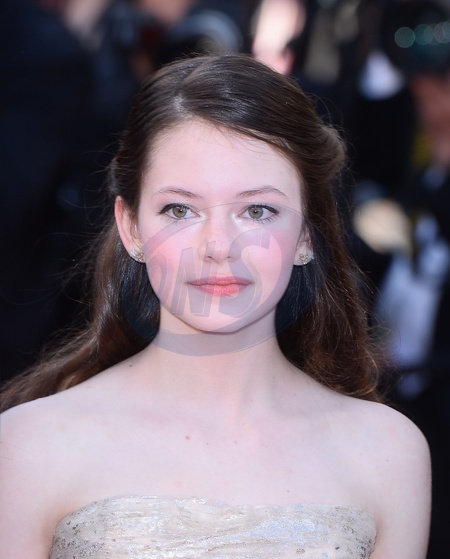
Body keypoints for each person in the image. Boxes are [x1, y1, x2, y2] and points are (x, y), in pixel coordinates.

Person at [0, 54, 431, 558]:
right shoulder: (31, 447)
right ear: (131, 227)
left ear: (306, 233)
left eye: (257, 210)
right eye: (180, 209)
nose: (219, 246)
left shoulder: (386, 454)